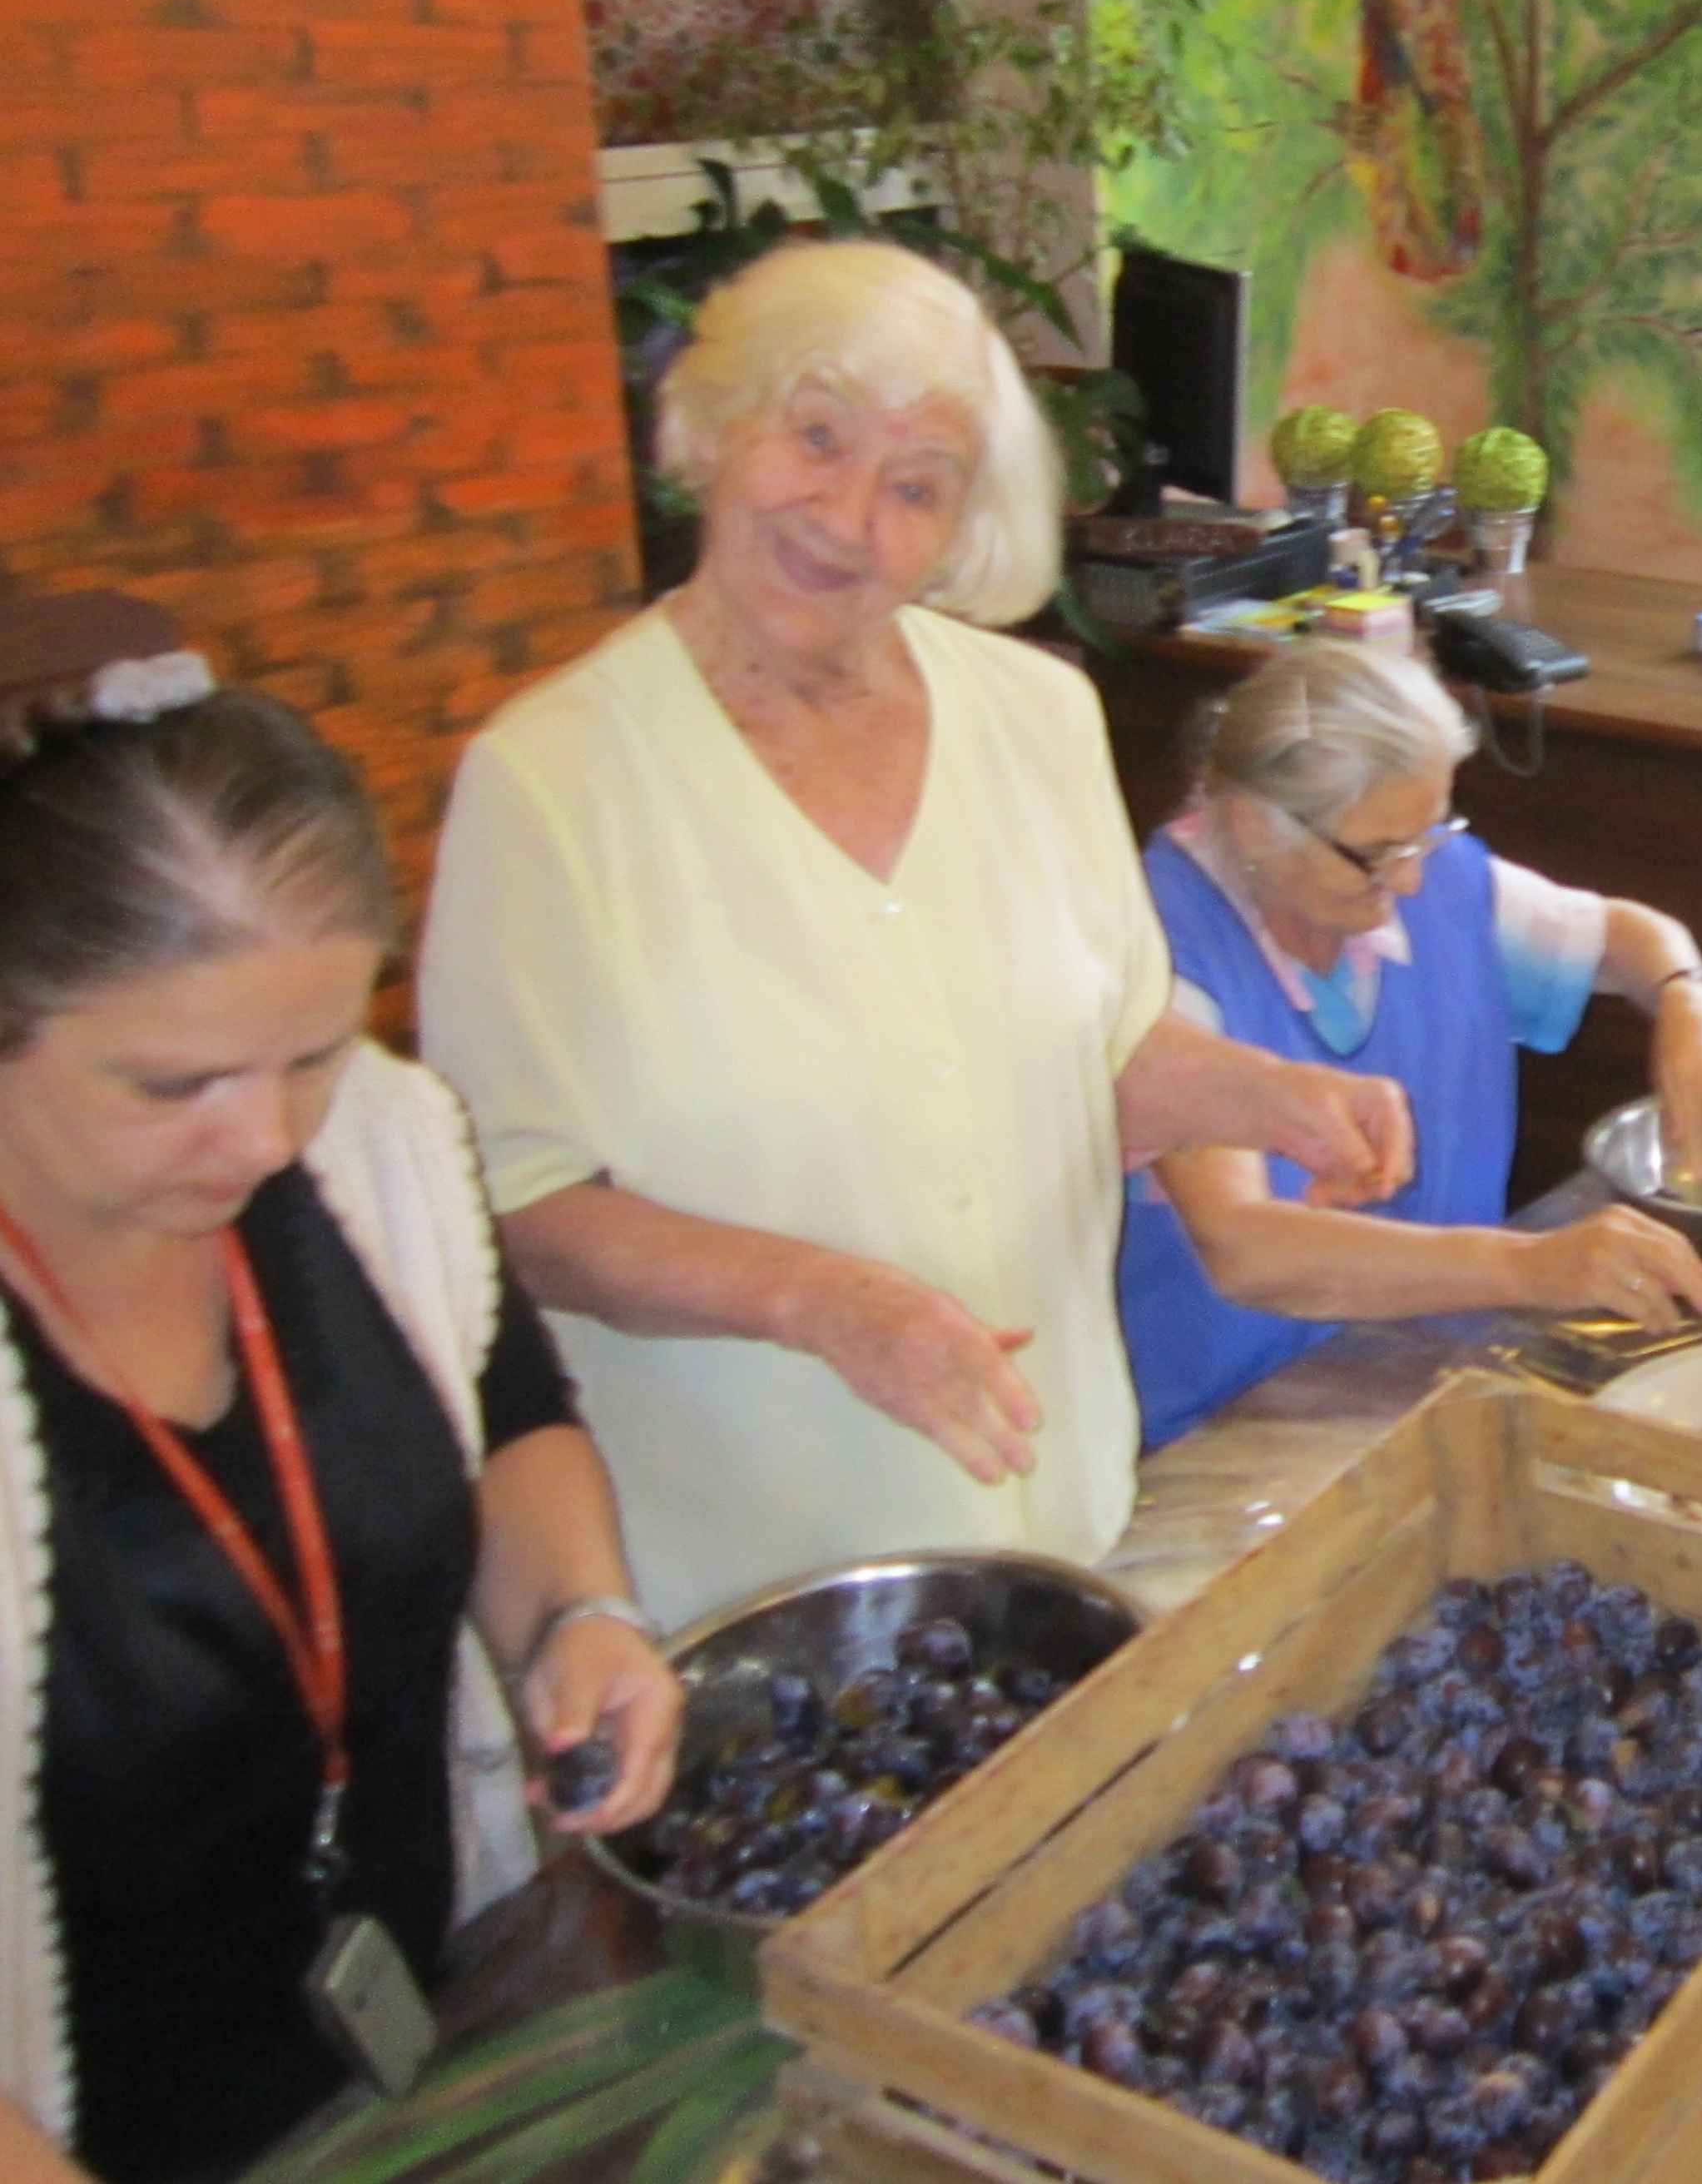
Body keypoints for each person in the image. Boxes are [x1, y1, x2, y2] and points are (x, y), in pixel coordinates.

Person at [418, 241, 1413, 1627]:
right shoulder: (550, 781)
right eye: (816, 437)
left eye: (917, 485)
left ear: (961, 528)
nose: (847, 517)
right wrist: (820, 1301)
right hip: (754, 1583)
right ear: (715, 427)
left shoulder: (1039, 719)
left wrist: (1267, 1093)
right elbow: (517, 1216)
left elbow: (1095, 1054)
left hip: (1054, 1523)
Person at [0, 610, 682, 2184]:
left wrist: (577, 1615)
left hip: (436, 2055)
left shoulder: (382, 1149)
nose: (262, 1141)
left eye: (311, 1054)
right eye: (173, 1086)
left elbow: (506, 1412)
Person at [1117, 644, 1702, 1447]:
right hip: (1230, 1425)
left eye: (1430, 834)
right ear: (1251, 823)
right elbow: (1244, 1247)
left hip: (1425, 1378)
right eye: (1378, 853)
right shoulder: (1159, 956)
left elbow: (1627, 938)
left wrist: (1690, 996)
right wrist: (1529, 1266)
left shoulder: (1424, 877)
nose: (1412, 881)